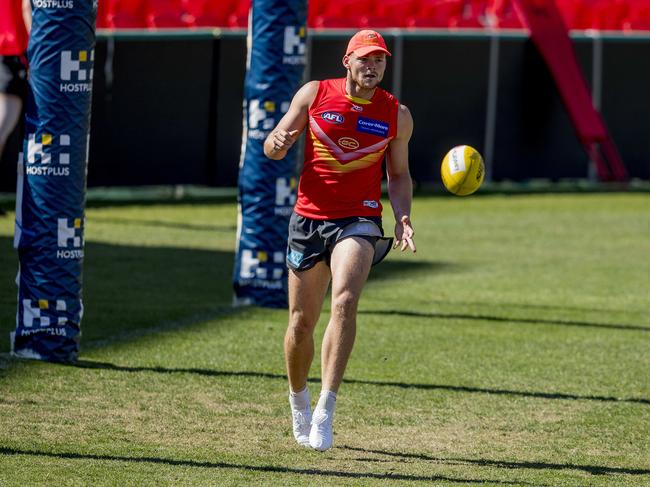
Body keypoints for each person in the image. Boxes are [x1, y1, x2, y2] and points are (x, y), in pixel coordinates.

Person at [264, 29, 416, 451]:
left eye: (380, 60)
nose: (373, 67)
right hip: (308, 219)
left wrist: (402, 216)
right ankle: (299, 402)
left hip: (359, 219)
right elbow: (272, 146)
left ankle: (326, 410)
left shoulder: (396, 115)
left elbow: (399, 175)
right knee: (300, 323)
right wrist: (276, 144)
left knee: (345, 300)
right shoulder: (314, 94)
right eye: (365, 59)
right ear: (347, 61)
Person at [0, 0, 31, 215]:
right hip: (11, 52)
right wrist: (39, 47)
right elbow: (26, 7)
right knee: (3, 128)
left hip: (9, 51)